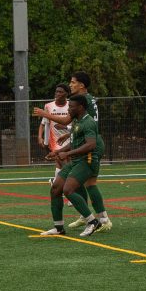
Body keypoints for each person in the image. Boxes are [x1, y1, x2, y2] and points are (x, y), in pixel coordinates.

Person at [35, 72, 110, 230]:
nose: (70, 85)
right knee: (81, 182)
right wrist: (71, 134)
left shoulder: (85, 101)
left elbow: (85, 125)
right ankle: (92, 217)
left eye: (73, 82)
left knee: (87, 183)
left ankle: (102, 220)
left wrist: (45, 115)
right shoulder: (85, 100)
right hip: (85, 141)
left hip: (91, 146)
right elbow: (82, 124)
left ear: (81, 85)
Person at [37, 84, 72, 181]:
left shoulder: (71, 105)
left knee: (65, 162)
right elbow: (43, 123)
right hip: (55, 140)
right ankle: (64, 184)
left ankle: (56, 182)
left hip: (69, 137)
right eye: (56, 91)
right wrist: (40, 137)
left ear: (67, 94)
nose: (57, 94)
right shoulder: (48, 106)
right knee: (62, 159)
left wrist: (67, 128)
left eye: (60, 92)